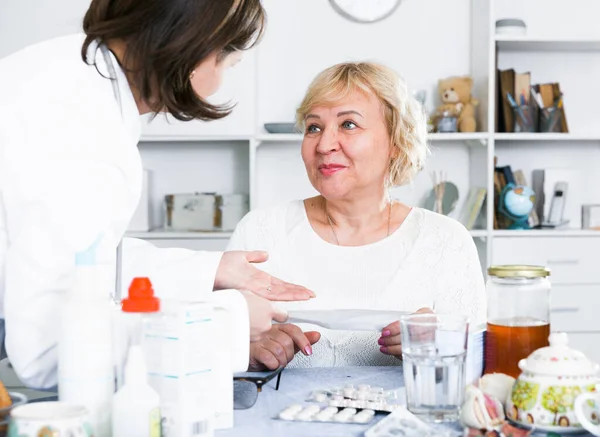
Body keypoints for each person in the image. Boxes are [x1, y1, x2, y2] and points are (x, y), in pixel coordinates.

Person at [0, 0, 315, 390]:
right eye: (227, 62)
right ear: (196, 46)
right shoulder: (85, 132)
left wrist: (208, 271)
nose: (220, 82)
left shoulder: (63, 74)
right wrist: (228, 321)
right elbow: (51, 350)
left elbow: (83, 258)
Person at [227, 62, 486, 371]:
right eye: (314, 127)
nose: (324, 145)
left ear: (396, 141)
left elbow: (478, 371)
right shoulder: (261, 231)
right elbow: (215, 353)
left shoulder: (446, 240)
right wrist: (247, 353)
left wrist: (443, 349)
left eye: (348, 124)